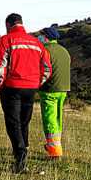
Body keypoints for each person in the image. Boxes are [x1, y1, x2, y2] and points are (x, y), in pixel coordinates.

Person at [0, 13, 52, 173]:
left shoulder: (5, 40)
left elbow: (0, 67)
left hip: (12, 87)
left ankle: (20, 157)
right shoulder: (36, 43)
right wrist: (37, 83)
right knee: (24, 122)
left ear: (8, 26)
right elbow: (47, 67)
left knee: (14, 122)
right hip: (31, 87)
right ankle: (22, 155)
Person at [37, 26, 71, 159]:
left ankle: (55, 152)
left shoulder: (45, 50)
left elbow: (42, 68)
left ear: (46, 37)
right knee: (57, 118)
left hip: (49, 89)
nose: (39, 38)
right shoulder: (65, 51)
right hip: (63, 89)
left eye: (41, 35)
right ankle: (54, 145)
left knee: (49, 119)